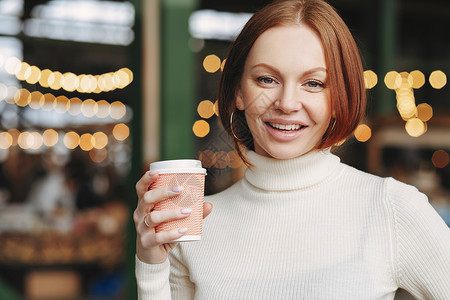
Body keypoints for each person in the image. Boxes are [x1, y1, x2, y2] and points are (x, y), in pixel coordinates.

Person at [134, 0, 450, 299]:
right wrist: (151, 265)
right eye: (267, 79)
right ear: (239, 93)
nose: (286, 104)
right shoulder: (195, 224)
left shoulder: (390, 209)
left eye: (313, 83)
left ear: (337, 100)